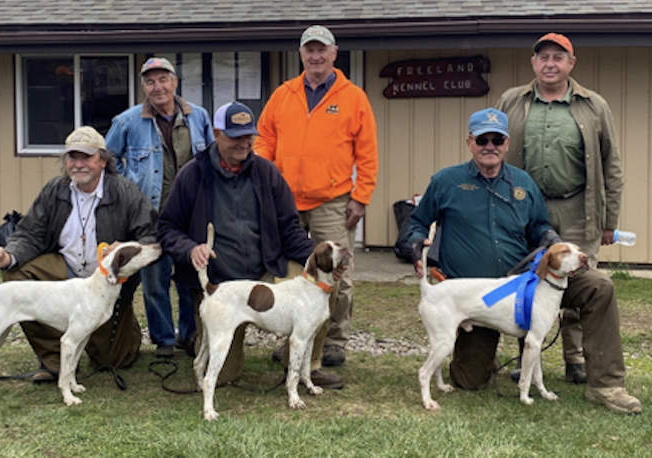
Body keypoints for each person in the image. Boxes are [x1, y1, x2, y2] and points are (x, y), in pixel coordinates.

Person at [404, 108, 641, 414]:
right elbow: (418, 222)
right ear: (470, 142)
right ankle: (507, 355)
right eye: (482, 139)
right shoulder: (446, 181)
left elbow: (540, 226)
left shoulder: (523, 183)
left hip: (526, 281)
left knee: (599, 285)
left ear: (506, 143)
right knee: (470, 380)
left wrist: (552, 241)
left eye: (497, 139)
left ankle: (607, 385)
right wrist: (414, 243)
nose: (490, 145)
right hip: (481, 295)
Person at [157, 101, 343, 388]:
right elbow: (167, 229)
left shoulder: (267, 173)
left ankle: (306, 365)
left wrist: (318, 260)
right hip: (219, 285)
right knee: (225, 375)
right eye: (235, 136)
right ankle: (204, 343)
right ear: (217, 134)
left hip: (266, 273)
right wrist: (190, 249)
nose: (244, 143)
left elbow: (290, 229)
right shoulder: (192, 175)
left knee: (320, 287)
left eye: (249, 135)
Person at [0, 126, 158, 381]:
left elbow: (151, 236)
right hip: (65, 274)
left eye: (86, 157)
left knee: (115, 360)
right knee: (17, 275)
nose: (78, 164)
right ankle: (54, 361)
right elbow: (30, 233)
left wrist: (125, 247)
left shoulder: (125, 191)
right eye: (72, 157)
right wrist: (7, 256)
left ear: (103, 160)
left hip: (103, 284)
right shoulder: (54, 190)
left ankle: (120, 330)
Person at [496, 33, 624, 385]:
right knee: (526, 284)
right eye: (543, 57)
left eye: (558, 57)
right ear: (533, 63)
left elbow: (612, 164)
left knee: (579, 281)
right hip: (523, 211)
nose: (550, 64)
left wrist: (609, 220)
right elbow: (492, 149)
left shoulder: (594, 105)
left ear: (571, 63)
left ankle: (576, 358)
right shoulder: (512, 101)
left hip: (577, 209)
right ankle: (526, 359)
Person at [255, 25, 379, 367]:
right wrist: (265, 177)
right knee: (292, 276)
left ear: (334, 53)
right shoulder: (283, 94)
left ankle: (334, 341)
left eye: (322, 49)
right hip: (286, 202)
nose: (316, 56)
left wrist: (361, 195)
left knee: (338, 274)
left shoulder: (353, 97)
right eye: (309, 50)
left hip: (333, 201)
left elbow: (367, 153)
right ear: (301, 54)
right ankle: (292, 339)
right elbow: (264, 139)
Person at [106, 57, 214, 358]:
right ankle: (164, 339)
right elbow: (106, 159)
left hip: (189, 214)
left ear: (175, 82)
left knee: (190, 278)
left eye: (163, 80)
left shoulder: (199, 116)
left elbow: (209, 159)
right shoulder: (126, 121)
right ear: (144, 87)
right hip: (149, 215)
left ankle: (190, 336)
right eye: (150, 82)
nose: (158, 87)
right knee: (155, 281)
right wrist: (129, 184)